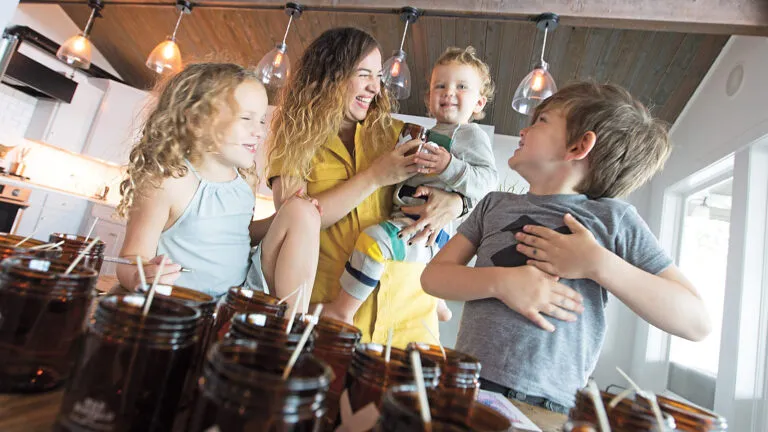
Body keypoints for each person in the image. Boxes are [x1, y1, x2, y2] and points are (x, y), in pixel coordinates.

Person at [421, 82, 711, 412]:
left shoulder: (613, 220)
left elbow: (697, 322)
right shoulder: (493, 205)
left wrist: (597, 263)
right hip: (464, 387)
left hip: (547, 406)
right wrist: (502, 282)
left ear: (578, 146)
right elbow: (433, 278)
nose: (525, 129)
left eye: (542, 120)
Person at [267, 27, 466, 344]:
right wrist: (375, 176)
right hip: (328, 314)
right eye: (363, 74)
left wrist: (456, 202)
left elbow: (455, 179)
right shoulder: (294, 138)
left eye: (378, 76)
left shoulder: (399, 133)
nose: (375, 87)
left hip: (407, 313)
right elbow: (295, 219)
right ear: (330, 76)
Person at [116, 62, 320, 305]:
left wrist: (283, 218)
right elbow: (131, 257)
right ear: (196, 121)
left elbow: (237, 236)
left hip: (237, 299)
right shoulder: (170, 182)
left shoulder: (243, 180)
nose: (260, 132)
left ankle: (290, 331)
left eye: (262, 121)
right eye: (246, 118)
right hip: (186, 307)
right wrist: (142, 276)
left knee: (301, 212)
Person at [324, 46, 498, 325]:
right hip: (408, 219)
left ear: (479, 103)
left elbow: (489, 182)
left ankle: (343, 309)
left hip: (426, 230)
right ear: (429, 99)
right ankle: (438, 302)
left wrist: (449, 168)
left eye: (461, 86)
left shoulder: (470, 136)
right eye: (440, 85)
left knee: (373, 242)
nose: (449, 92)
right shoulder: (422, 132)